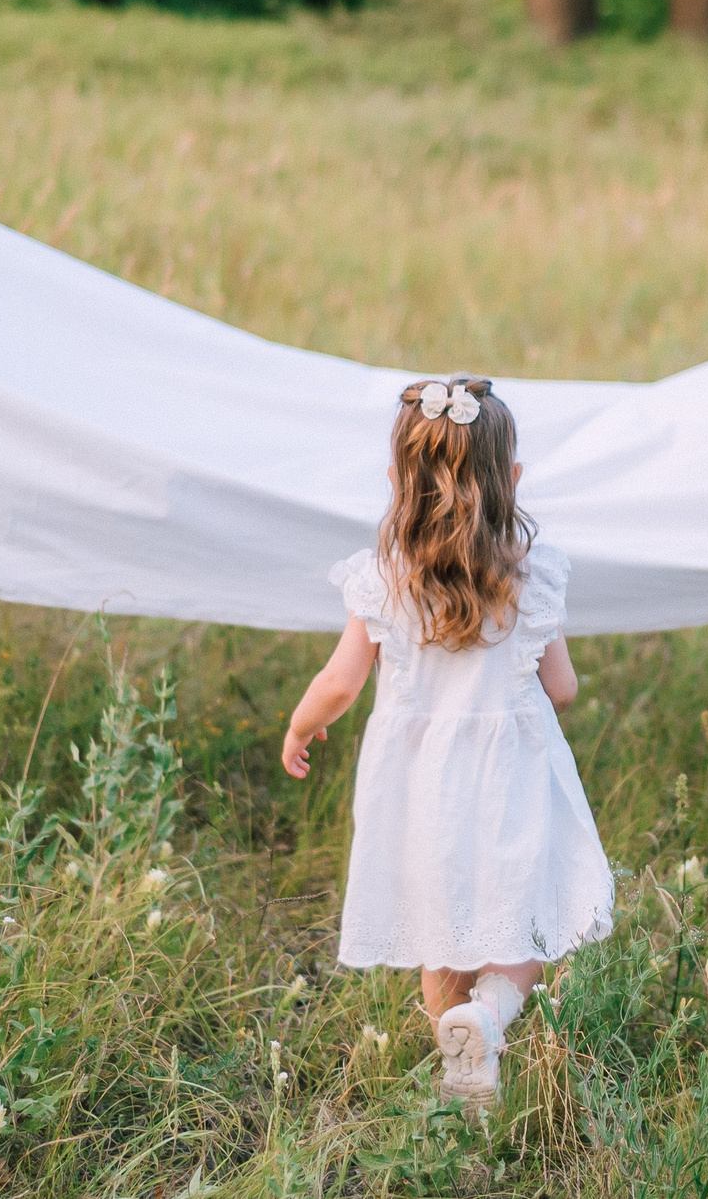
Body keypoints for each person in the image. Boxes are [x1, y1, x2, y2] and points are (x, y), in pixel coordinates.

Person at [281, 376, 613, 1105]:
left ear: (396, 480)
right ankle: (488, 1016)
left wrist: (302, 725)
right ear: (511, 480)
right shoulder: (532, 576)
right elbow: (561, 687)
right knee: (531, 918)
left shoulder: (382, 579)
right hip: (511, 778)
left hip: (420, 787)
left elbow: (338, 682)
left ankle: (460, 1068)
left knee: (441, 932)